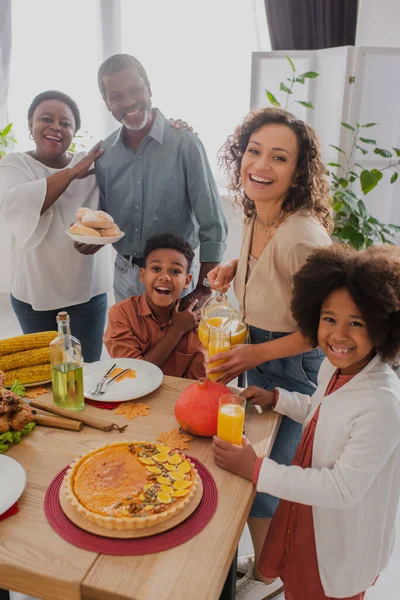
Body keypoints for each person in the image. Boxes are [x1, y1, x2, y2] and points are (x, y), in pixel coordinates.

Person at [213, 243, 400, 600]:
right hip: (307, 519)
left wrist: (255, 469)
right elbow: (323, 409)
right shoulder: (340, 366)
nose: (338, 335)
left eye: (356, 323)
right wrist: (278, 398)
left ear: (382, 326)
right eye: (329, 319)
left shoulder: (382, 404)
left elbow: (340, 489)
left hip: (336, 542)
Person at [207, 107, 332, 596]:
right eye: (254, 151)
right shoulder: (257, 210)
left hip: (292, 363)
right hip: (262, 350)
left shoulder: (304, 236)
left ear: (298, 173)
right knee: (256, 471)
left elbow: (325, 330)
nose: (261, 164)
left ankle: (268, 576)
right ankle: (264, 564)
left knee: (267, 478)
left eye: (279, 157)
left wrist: (256, 357)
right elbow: (273, 268)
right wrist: (237, 267)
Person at [78, 53, 227, 307]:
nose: (129, 102)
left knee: (177, 347)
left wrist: (203, 289)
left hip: (175, 275)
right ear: (106, 102)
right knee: (129, 347)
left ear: (149, 88)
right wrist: (90, 238)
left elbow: (213, 226)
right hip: (125, 275)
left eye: (136, 90)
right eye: (116, 96)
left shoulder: (185, 144)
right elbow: (106, 220)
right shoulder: (104, 155)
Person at [0, 90, 109, 362]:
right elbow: (21, 204)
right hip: (33, 294)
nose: (55, 127)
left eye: (65, 123)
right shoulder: (15, 164)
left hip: (86, 294)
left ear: (74, 131)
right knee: (45, 378)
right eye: (46, 119)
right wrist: (72, 173)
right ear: (30, 125)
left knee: (87, 370)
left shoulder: (90, 164)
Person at [103, 233, 206, 379]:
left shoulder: (196, 323)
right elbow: (135, 374)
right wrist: (177, 330)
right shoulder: (121, 314)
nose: (164, 277)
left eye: (175, 271)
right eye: (156, 269)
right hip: (133, 397)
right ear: (142, 275)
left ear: (187, 281)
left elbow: (196, 383)